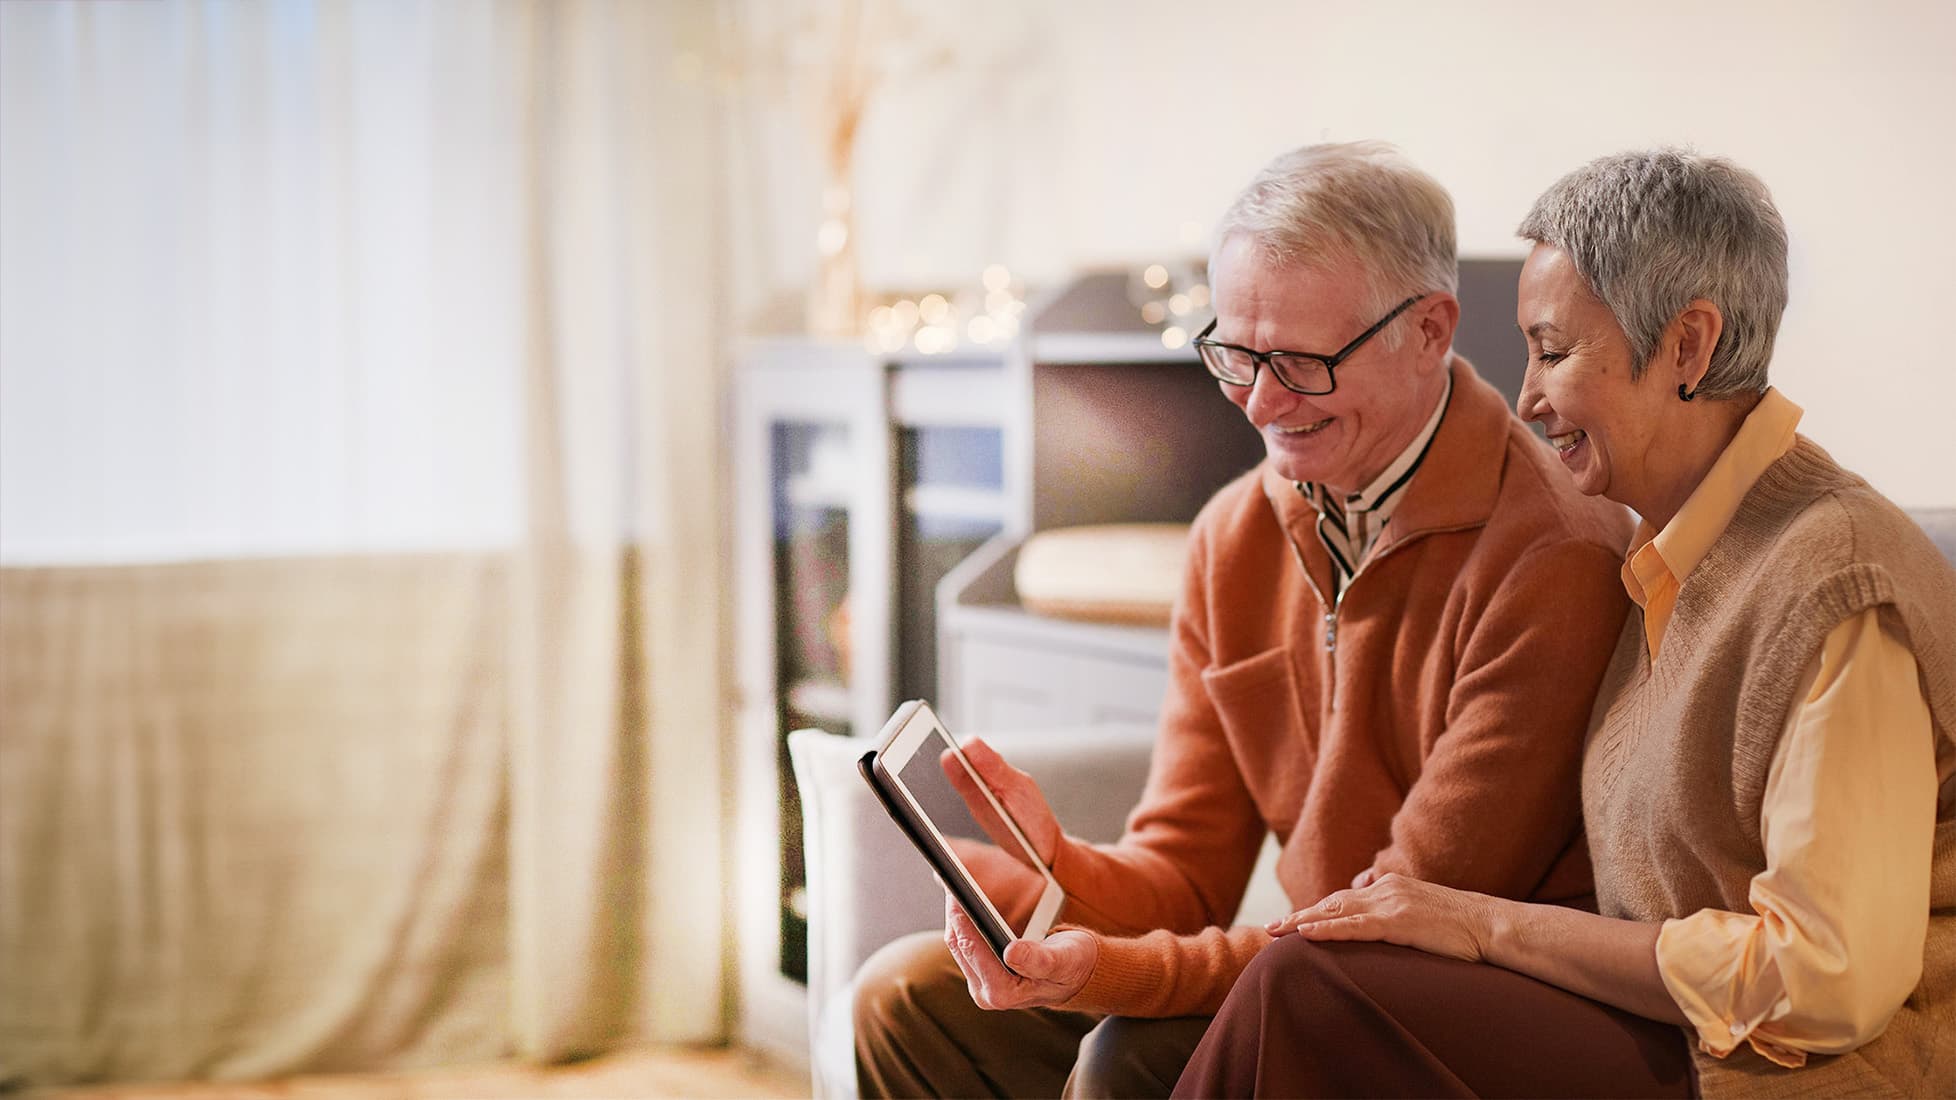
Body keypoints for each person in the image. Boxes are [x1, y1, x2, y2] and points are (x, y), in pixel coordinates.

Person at [852, 141, 1636, 1098]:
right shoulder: (1234, 535)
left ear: (1430, 330)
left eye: (1303, 362)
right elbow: (1184, 875)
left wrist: (1105, 973)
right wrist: (1048, 866)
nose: (1259, 403)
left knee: (1126, 1056)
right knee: (903, 1002)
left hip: (1448, 1013)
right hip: (1303, 976)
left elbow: (1383, 930)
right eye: (1235, 352)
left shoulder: (1552, 555)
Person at [1176, 148, 1956, 1099]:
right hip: (1664, 1029)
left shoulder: (1833, 581)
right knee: (1276, 1010)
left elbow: (1827, 982)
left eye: (1552, 351)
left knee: (1309, 990)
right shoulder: (1673, 554)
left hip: (1794, 1073)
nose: (1531, 397)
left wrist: (1487, 925)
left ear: (1688, 348)